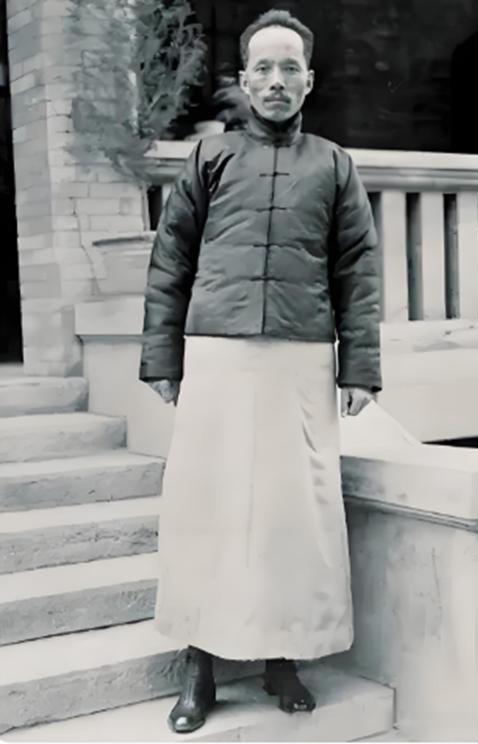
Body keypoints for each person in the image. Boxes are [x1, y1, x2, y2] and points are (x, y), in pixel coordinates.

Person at [139, 8, 382, 735]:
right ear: (244, 82)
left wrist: (360, 369)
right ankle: (200, 664)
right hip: (218, 354)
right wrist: (162, 357)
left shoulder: (334, 165)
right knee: (208, 506)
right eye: (264, 69)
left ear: (309, 81)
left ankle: (284, 658)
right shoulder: (209, 160)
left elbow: (357, 272)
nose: (277, 81)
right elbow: (171, 261)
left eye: (290, 69)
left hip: (300, 360)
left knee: (291, 514)